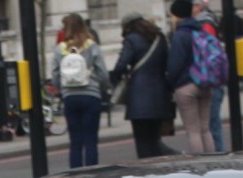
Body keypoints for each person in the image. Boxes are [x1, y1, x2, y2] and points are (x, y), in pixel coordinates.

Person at [111, 12, 171, 158]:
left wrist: (119, 79)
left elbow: (121, 66)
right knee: (155, 139)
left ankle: (146, 173)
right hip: (160, 94)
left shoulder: (131, 39)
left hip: (138, 97)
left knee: (142, 140)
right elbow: (167, 63)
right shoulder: (159, 37)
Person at [54, 13, 109, 168]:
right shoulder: (91, 46)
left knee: (75, 141)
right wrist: (101, 88)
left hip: (70, 97)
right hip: (91, 96)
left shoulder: (60, 49)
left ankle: (75, 175)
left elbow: (55, 74)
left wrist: (62, 90)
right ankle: (92, 173)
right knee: (91, 140)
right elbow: (103, 73)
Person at [166, 0, 217, 154]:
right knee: (205, 129)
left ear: (177, 15)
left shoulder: (180, 35)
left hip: (186, 85)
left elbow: (175, 64)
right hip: (205, 83)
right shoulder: (200, 30)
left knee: (193, 131)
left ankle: (200, 166)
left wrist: (170, 84)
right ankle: (211, 162)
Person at [193, 0, 226, 152]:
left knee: (212, 125)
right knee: (210, 124)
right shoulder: (206, 22)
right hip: (212, 80)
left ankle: (218, 155)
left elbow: (208, 55)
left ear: (198, 7)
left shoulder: (204, 24)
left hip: (211, 81)